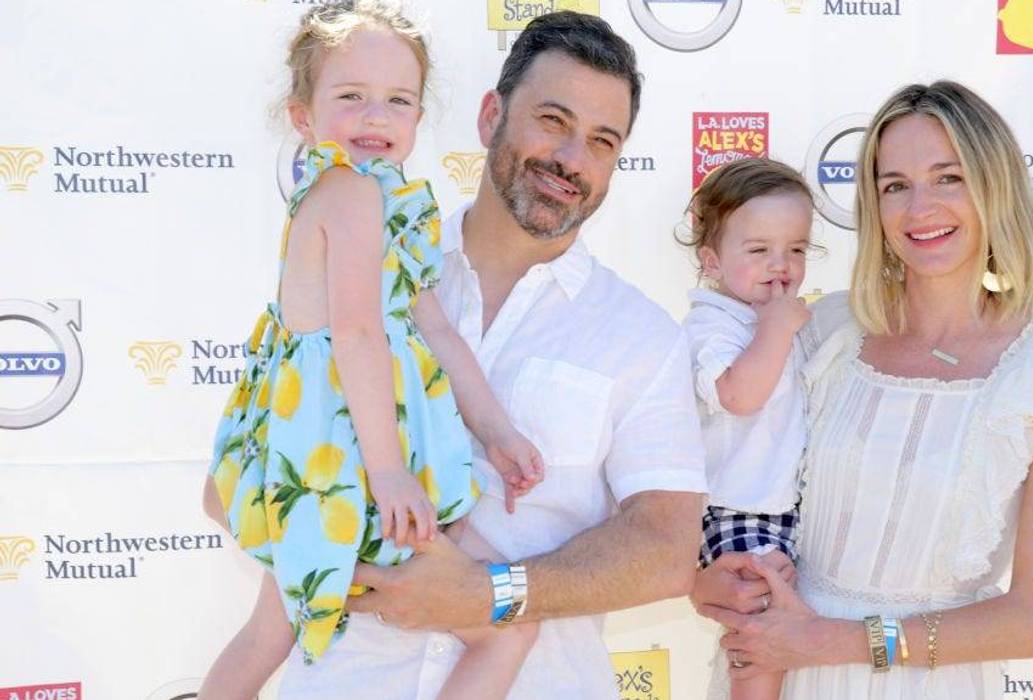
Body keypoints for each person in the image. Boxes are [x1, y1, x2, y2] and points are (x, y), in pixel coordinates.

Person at [276, 10, 708, 700]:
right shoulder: (366, 262)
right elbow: (255, 452)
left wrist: (490, 595)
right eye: (552, 121)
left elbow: (664, 551)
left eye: (602, 142)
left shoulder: (642, 336)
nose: (572, 159)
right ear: (488, 118)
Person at [694, 80, 1033, 699]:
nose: (919, 207)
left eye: (948, 178)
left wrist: (832, 641)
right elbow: (725, 465)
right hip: (781, 671)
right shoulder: (821, 330)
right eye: (895, 185)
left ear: (994, 185)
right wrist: (702, 580)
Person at [199, 2, 547, 698]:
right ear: (304, 116)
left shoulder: (386, 202)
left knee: (270, 630)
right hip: (347, 469)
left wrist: (497, 431)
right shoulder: (348, 194)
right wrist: (387, 475)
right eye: (350, 97)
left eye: (397, 101)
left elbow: (436, 332)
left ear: (419, 117)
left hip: (328, 460)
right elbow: (355, 333)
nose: (375, 118)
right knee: (506, 628)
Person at [677, 158, 813, 700]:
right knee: (761, 620)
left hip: (785, 508)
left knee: (784, 628)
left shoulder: (776, 317)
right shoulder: (712, 323)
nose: (780, 266)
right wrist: (776, 330)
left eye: (797, 249)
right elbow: (738, 394)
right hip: (737, 508)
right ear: (712, 260)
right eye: (758, 251)